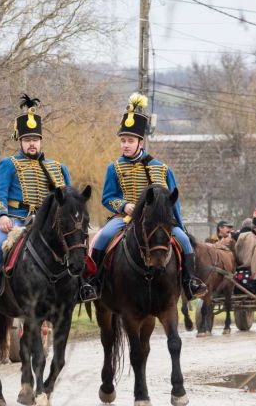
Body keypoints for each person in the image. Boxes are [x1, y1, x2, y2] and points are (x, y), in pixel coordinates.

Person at [83, 93, 206, 301]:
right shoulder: (114, 168)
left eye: (130, 141)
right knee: (102, 237)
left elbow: (173, 203)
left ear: (141, 141)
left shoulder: (162, 168)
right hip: (125, 219)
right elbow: (107, 197)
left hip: (159, 221)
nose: (125, 145)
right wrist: (124, 206)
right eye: (123, 141)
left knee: (184, 240)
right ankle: (93, 283)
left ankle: (189, 282)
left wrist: (180, 224)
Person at [0, 95, 71, 306]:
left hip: (46, 221)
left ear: (40, 141)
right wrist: (1, 215)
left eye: (35, 140)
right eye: (28, 140)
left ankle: (80, 284)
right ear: (20, 141)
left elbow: (69, 200)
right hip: (16, 219)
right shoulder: (8, 164)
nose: (32, 144)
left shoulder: (58, 168)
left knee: (72, 244)